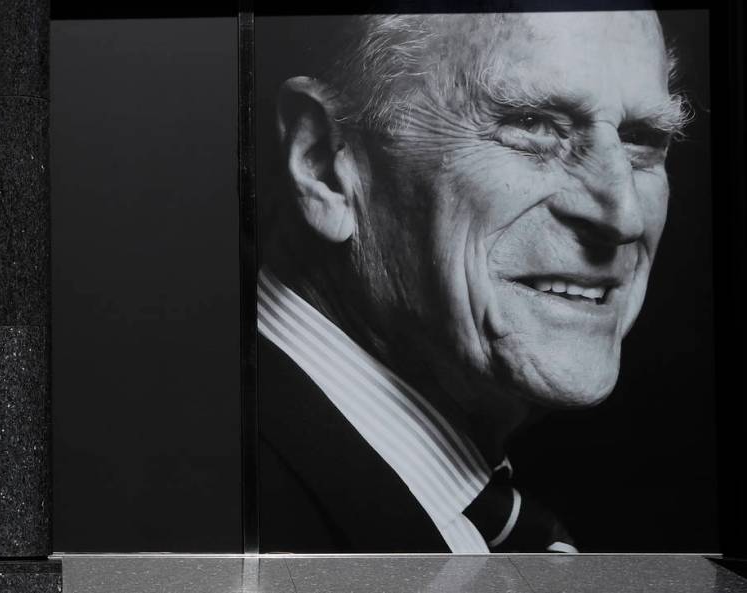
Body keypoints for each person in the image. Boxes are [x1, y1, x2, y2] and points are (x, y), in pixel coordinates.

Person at [257, 11, 690, 553]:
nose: (623, 216)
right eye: (533, 126)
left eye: (641, 139)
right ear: (323, 165)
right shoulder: (215, 506)